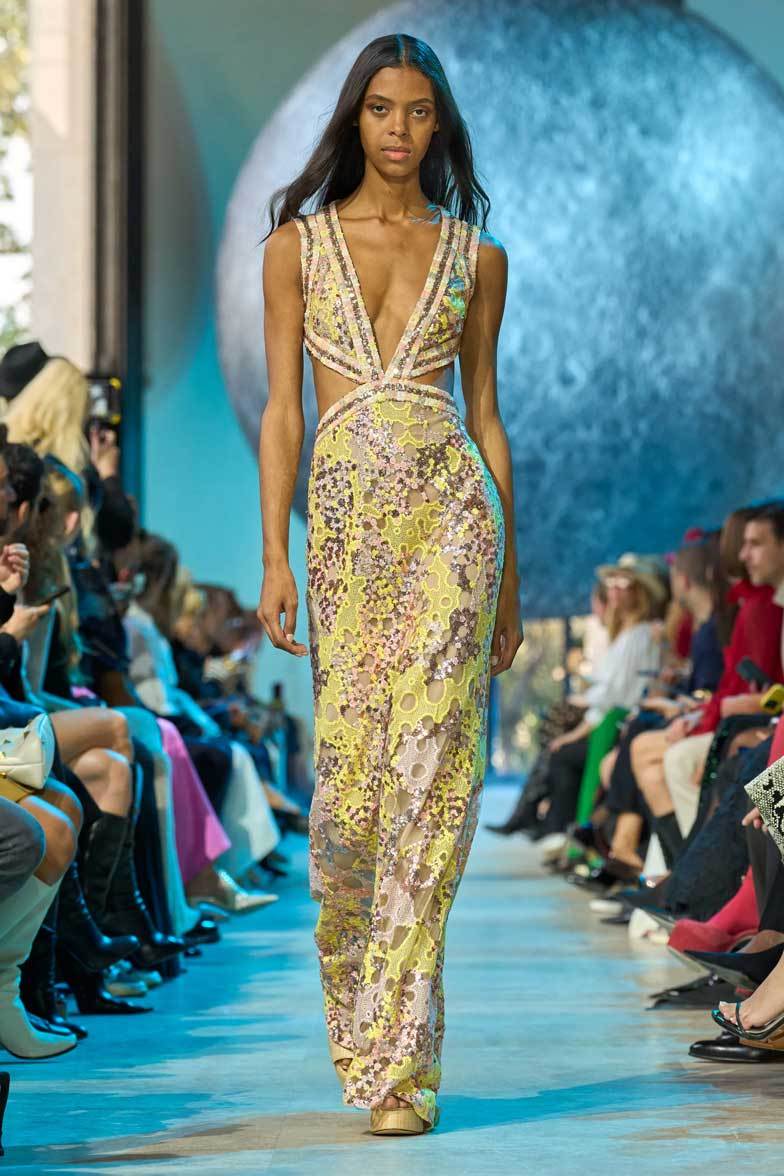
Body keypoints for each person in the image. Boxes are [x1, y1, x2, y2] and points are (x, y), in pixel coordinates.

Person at [256, 34, 523, 1136]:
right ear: (354, 119)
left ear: (439, 124)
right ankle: (362, 1025)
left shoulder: (476, 256)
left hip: (454, 524)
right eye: (380, 110)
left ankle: (405, 1067)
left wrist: (510, 580)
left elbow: (487, 416)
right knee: (352, 801)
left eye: (418, 112)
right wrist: (273, 554)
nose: (400, 130)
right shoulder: (296, 246)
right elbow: (284, 410)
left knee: (433, 780)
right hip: (348, 536)